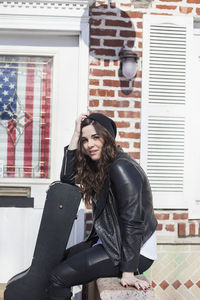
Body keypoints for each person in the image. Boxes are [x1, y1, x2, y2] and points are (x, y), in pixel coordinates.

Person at [46, 113, 158, 300]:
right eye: (85, 140)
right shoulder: (101, 167)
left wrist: (128, 271)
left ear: (108, 137)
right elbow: (67, 178)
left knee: (57, 277)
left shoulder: (121, 167)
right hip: (111, 242)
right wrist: (75, 134)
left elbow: (133, 221)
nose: (89, 144)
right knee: (57, 263)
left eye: (96, 137)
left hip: (134, 251)